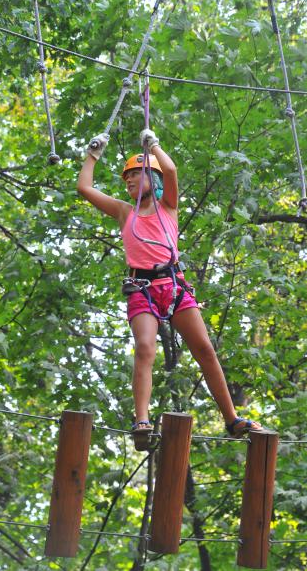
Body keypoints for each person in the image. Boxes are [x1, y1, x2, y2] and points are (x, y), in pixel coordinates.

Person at [77, 129, 262, 442]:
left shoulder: (168, 207)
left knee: (204, 349)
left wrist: (155, 146)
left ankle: (231, 419)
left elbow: (172, 170)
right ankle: (141, 422)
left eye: (135, 175)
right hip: (143, 289)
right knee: (146, 348)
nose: (130, 182)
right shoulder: (125, 212)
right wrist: (92, 155)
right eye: (127, 179)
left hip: (174, 286)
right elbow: (84, 188)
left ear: (152, 176)